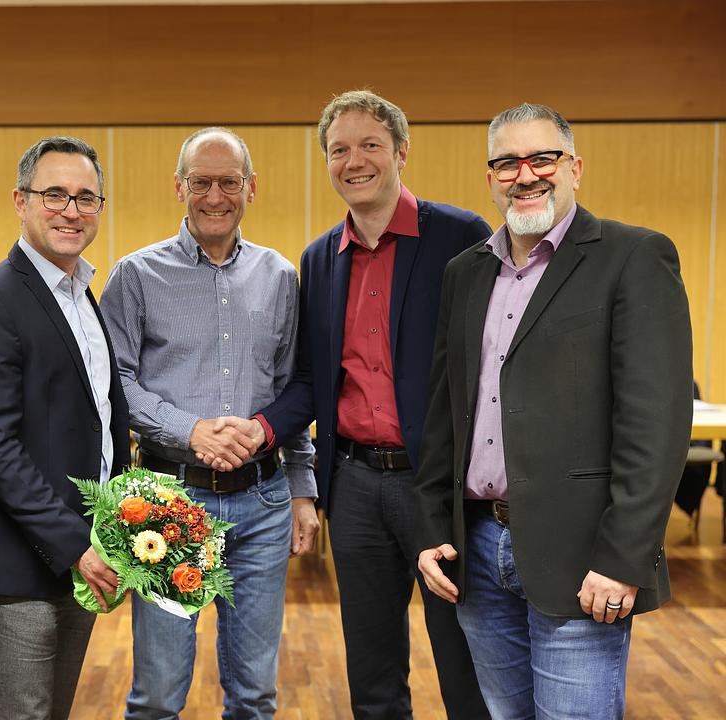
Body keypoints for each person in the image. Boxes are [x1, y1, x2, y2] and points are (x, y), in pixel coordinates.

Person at [415, 103, 692, 719]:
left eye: (542, 158)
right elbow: (445, 413)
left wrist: (623, 559)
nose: (526, 175)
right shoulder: (465, 273)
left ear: (575, 168)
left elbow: (656, 425)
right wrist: (432, 527)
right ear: (491, 178)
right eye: (507, 163)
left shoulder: (633, 257)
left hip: (582, 560)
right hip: (477, 552)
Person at [227, 90, 490, 718]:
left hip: (437, 485)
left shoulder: (461, 236)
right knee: (371, 671)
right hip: (354, 487)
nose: (354, 161)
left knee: (463, 662)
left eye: (370, 145)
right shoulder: (319, 259)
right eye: (339, 150)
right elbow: (311, 381)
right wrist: (261, 429)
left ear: (402, 151)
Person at [100, 126, 319, 719]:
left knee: (255, 695)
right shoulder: (136, 275)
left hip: (264, 504)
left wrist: (302, 489)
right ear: (179, 187)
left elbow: (293, 390)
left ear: (251, 187)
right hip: (169, 504)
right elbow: (114, 384)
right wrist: (189, 430)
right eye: (201, 183)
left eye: (229, 182)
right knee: (157, 696)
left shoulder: (280, 277)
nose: (215, 197)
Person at [0, 136, 131, 720]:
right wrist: (75, 544)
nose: (71, 211)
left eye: (85, 197)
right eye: (54, 194)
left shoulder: (82, 295)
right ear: (20, 201)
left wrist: (112, 530)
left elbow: (102, 420)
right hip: (22, 567)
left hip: (82, 553)